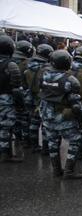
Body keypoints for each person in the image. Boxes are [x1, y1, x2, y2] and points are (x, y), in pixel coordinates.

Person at [39, 50, 82, 178]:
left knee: (52, 143)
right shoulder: (70, 80)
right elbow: (75, 104)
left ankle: (56, 170)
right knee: (75, 141)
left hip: (47, 116)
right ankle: (69, 171)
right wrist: (81, 121)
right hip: (64, 119)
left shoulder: (44, 76)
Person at [0, 35, 25, 163]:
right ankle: (6, 154)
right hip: (6, 100)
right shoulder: (11, 65)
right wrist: (21, 105)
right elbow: (17, 88)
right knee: (6, 127)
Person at [24, 43, 53, 154]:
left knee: (33, 122)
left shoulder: (28, 66)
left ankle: (34, 145)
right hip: (43, 98)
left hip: (31, 96)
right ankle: (46, 148)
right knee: (45, 125)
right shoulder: (48, 69)